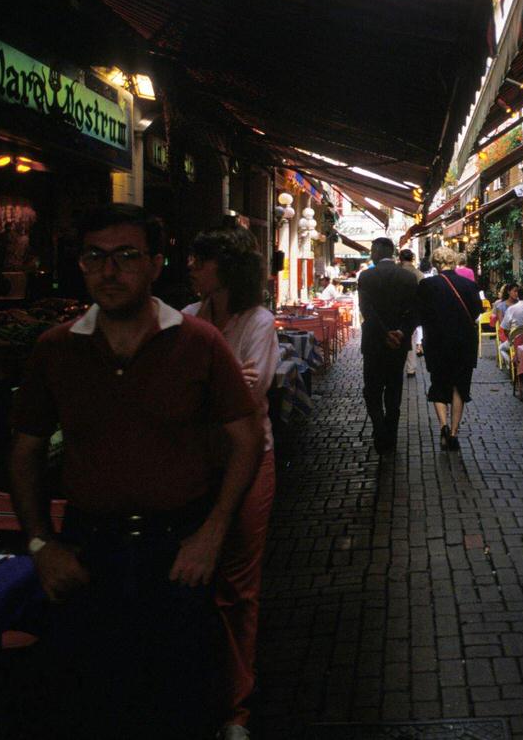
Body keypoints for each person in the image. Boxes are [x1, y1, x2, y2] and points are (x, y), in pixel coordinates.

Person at [10, 203, 262, 739]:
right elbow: (25, 450)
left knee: (181, 700)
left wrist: (213, 532)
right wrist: (40, 544)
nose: (110, 270)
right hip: (87, 553)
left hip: (177, 552)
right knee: (95, 702)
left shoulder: (198, 342)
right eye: (95, 257)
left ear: (155, 263)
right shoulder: (55, 349)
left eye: (126, 255)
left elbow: (247, 439)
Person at [184, 228, 279, 740]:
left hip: (250, 460)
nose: (192, 265)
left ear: (227, 268)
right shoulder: (187, 317)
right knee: (195, 581)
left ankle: (236, 708)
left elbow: (251, 393)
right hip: (193, 465)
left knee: (238, 586)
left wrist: (197, 385)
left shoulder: (258, 322)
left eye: (201, 258)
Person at [415, 245, 481, 450]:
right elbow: (478, 311)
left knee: (438, 384)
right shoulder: (469, 285)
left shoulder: (427, 285)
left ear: (435, 264)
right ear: (453, 262)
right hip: (464, 343)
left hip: (437, 343)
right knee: (459, 387)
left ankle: (443, 424)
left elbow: (419, 314)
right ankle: (453, 432)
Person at [357, 237, 418, 455]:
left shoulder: (366, 276)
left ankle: (379, 427)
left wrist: (384, 333)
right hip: (398, 344)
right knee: (394, 387)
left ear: (376, 251)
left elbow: (367, 311)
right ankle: (390, 431)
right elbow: (414, 311)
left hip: (374, 342)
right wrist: (401, 332)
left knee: (372, 389)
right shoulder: (408, 277)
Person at [399, 249, 423, 376]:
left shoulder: (397, 273)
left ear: (400, 259)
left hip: (398, 311)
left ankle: (399, 366)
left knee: (398, 339)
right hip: (414, 311)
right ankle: (411, 368)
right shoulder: (418, 274)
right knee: (412, 340)